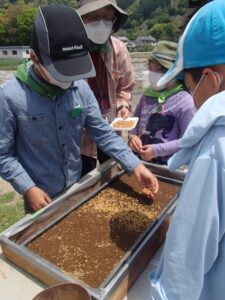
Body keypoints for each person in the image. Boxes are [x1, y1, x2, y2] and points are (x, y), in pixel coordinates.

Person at [0, 5, 158, 214]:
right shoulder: (10, 96)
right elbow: (3, 155)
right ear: (35, 58)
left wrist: (135, 165)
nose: (68, 81)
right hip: (39, 194)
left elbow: (102, 132)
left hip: (75, 186)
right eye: (60, 72)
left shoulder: (79, 87)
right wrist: (28, 188)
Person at [149, 0, 225, 299]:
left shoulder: (215, 151)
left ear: (210, 79)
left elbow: (180, 276)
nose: (188, 95)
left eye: (185, 82)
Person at [76, 0, 135, 176]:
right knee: (81, 181)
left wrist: (123, 106)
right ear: (81, 19)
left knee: (111, 175)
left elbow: (125, 87)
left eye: (107, 18)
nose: (102, 23)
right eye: (94, 17)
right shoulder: (71, 50)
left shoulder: (119, 49)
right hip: (79, 135)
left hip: (111, 129)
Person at [128, 41, 195, 164]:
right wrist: (132, 136)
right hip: (140, 162)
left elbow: (187, 141)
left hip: (168, 166)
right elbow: (134, 122)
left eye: (160, 70)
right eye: (151, 69)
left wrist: (156, 150)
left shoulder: (185, 101)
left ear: (177, 72)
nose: (153, 74)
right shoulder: (147, 95)